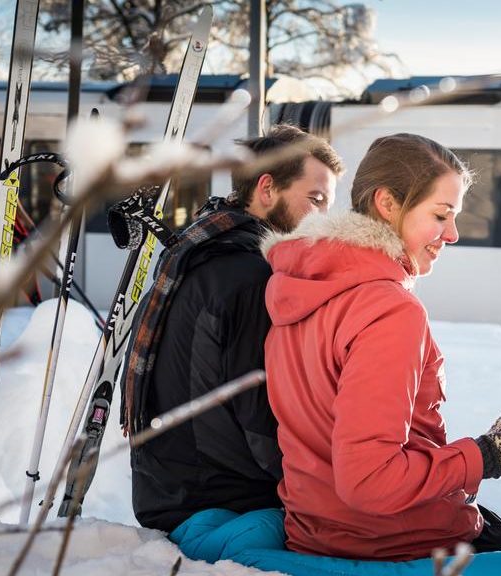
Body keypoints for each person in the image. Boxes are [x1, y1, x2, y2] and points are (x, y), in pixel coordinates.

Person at [263, 133, 501, 561]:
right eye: (441, 215)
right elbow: (369, 480)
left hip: (319, 531)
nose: (453, 234)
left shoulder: (298, 288)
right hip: (397, 541)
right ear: (387, 204)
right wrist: (488, 455)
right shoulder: (389, 309)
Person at [122, 124, 345, 532]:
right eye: (315, 200)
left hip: (170, 489)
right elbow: (263, 418)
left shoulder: (199, 249)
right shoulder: (254, 277)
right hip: (223, 504)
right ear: (267, 189)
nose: (323, 220)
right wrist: (334, 490)